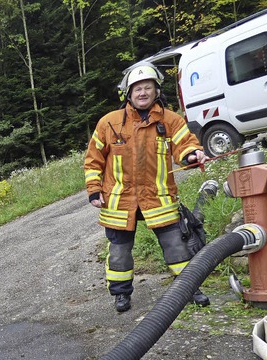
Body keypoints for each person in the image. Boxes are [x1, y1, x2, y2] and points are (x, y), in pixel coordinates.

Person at [84, 62, 210, 313]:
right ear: (128, 93)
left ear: (156, 91)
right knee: (119, 252)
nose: (142, 93)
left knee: (177, 244)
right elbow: (93, 158)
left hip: (157, 197)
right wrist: (94, 189)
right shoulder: (109, 123)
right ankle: (121, 295)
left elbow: (185, 144)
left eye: (148, 88)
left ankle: (189, 288)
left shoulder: (171, 120)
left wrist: (193, 155)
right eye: (138, 88)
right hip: (119, 201)